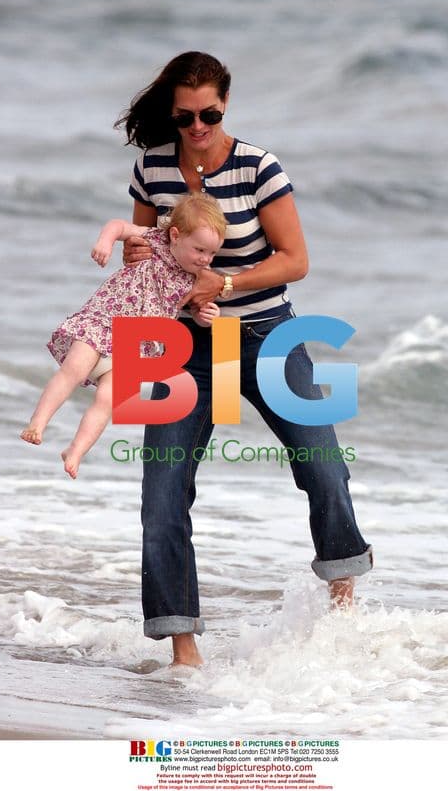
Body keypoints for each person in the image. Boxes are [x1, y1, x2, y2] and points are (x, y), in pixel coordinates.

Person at [117, 51, 373, 666]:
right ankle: (183, 651)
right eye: (185, 117)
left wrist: (225, 284)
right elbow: (143, 253)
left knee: (322, 465)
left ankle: (343, 610)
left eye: (209, 114)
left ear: (225, 104)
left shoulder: (259, 167)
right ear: (172, 114)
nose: (197, 127)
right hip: (181, 347)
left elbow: (295, 261)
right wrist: (135, 259)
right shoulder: (152, 167)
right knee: (162, 495)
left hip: (264, 336)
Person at [20, 192, 227, 479]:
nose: (205, 259)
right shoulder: (154, 239)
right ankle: (38, 423)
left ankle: (76, 451)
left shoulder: (196, 279)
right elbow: (118, 226)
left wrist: (207, 317)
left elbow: (198, 311)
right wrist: (105, 243)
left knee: (108, 400)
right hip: (105, 320)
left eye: (212, 253)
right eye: (200, 250)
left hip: (136, 344)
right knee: (73, 369)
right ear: (176, 236)